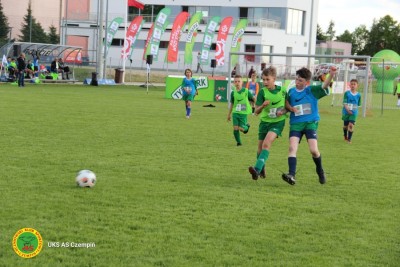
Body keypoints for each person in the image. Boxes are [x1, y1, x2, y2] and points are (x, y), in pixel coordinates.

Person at [282, 66, 337, 185]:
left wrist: (331, 75)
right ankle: (291, 174)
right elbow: (289, 107)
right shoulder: (291, 92)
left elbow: (324, 86)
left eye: (300, 80)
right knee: (292, 148)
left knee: (314, 150)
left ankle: (320, 170)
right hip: (296, 124)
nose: (297, 82)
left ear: (307, 82)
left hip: (310, 123)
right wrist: (282, 111)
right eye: (296, 79)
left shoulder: (311, 90)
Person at [248, 66, 288, 180]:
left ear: (274, 79)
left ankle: (256, 169)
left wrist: (283, 111)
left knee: (266, 144)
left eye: (267, 79)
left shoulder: (283, 91)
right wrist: (262, 106)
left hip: (277, 123)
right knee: (260, 149)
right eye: (263, 79)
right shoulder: (262, 92)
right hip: (264, 122)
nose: (265, 82)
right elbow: (256, 111)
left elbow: (288, 107)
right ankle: (261, 169)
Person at [227, 75, 255, 146]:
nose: (237, 83)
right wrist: (229, 114)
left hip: (243, 112)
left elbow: (253, 99)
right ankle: (239, 142)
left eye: (239, 81)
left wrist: (255, 106)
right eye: (235, 81)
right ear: (234, 83)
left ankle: (247, 127)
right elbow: (232, 104)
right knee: (235, 128)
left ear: (242, 82)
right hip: (235, 112)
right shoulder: (233, 93)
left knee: (241, 129)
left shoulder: (246, 91)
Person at [342, 79, 361, 143]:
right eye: (351, 84)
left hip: (353, 113)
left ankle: (349, 140)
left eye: (354, 84)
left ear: (357, 86)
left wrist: (354, 114)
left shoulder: (359, 95)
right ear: (349, 85)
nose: (353, 85)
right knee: (345, 126)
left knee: (351, 125)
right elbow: (345, 103)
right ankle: (345, 135)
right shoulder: (346, 93)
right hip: (346, 112)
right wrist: (348, 110)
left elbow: (358, 105)